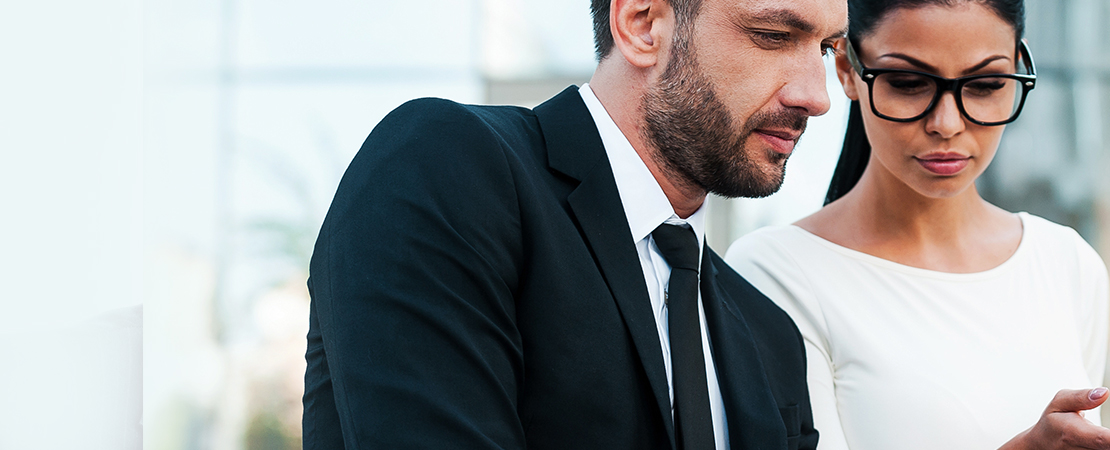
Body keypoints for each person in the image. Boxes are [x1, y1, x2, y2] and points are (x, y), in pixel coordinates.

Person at [301, 0, 846, 448]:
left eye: (824, 49)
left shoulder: (769, 335)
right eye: (773, 35)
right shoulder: (447, 167)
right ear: (641, 24)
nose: (816, 96)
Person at [725, 1, 1110, 449]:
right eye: (909, 83)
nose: (947, 124)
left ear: (1018, 68)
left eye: (986, 84)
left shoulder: (1066, 262)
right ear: (848, 69)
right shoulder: (775, 273)